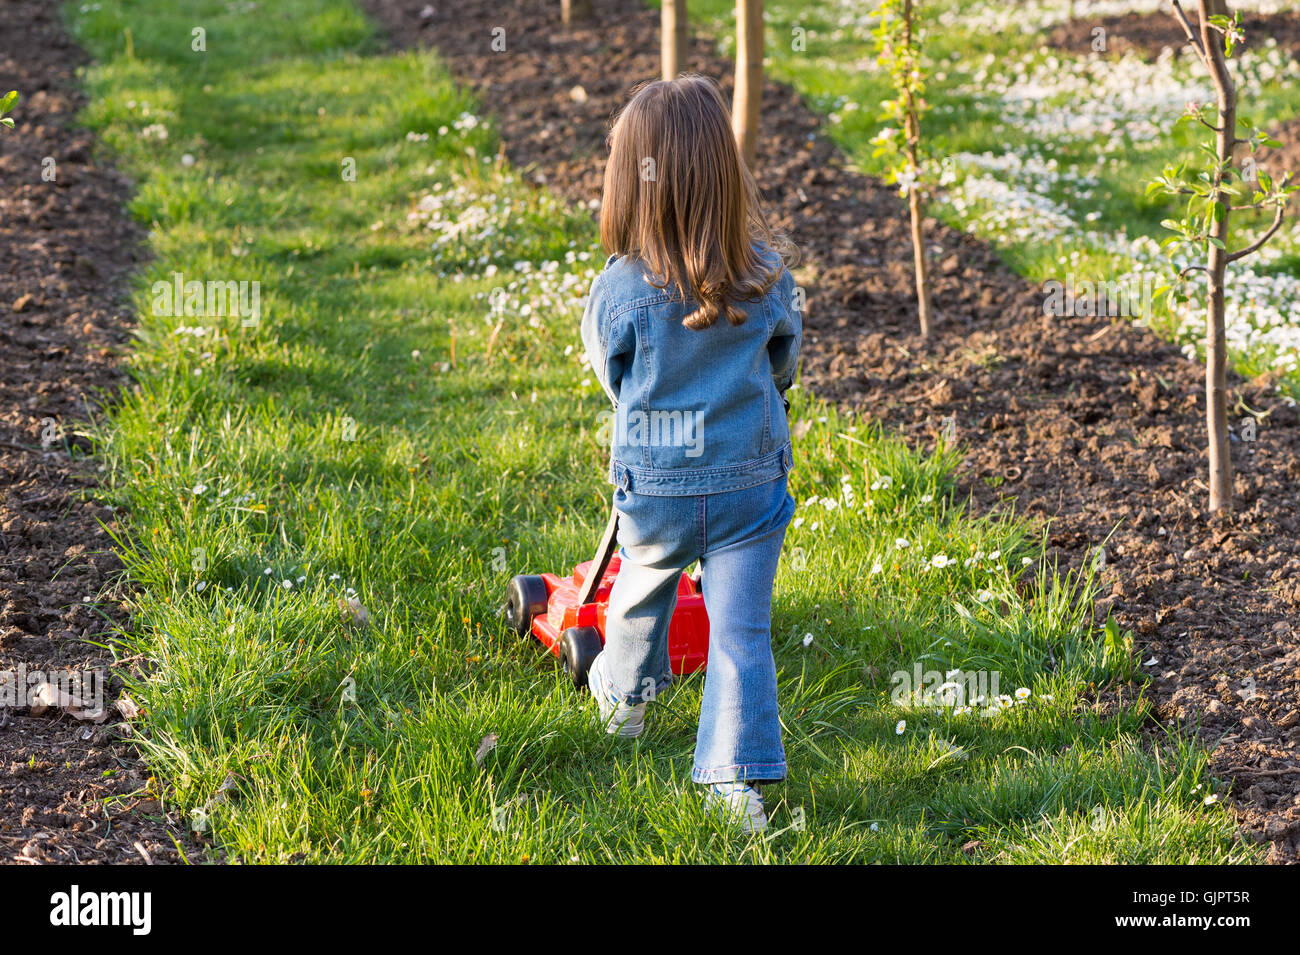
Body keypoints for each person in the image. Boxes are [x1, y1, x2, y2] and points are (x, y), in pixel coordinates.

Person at [579, 74, 802, 833]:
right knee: (741, 630)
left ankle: (626, 699)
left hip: (658, 488)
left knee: (642, 587)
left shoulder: (619, 287)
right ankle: (734, 782)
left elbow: (611, 373)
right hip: (748, 489)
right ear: (724, 176)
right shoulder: (765, 273)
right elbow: (783, 365)